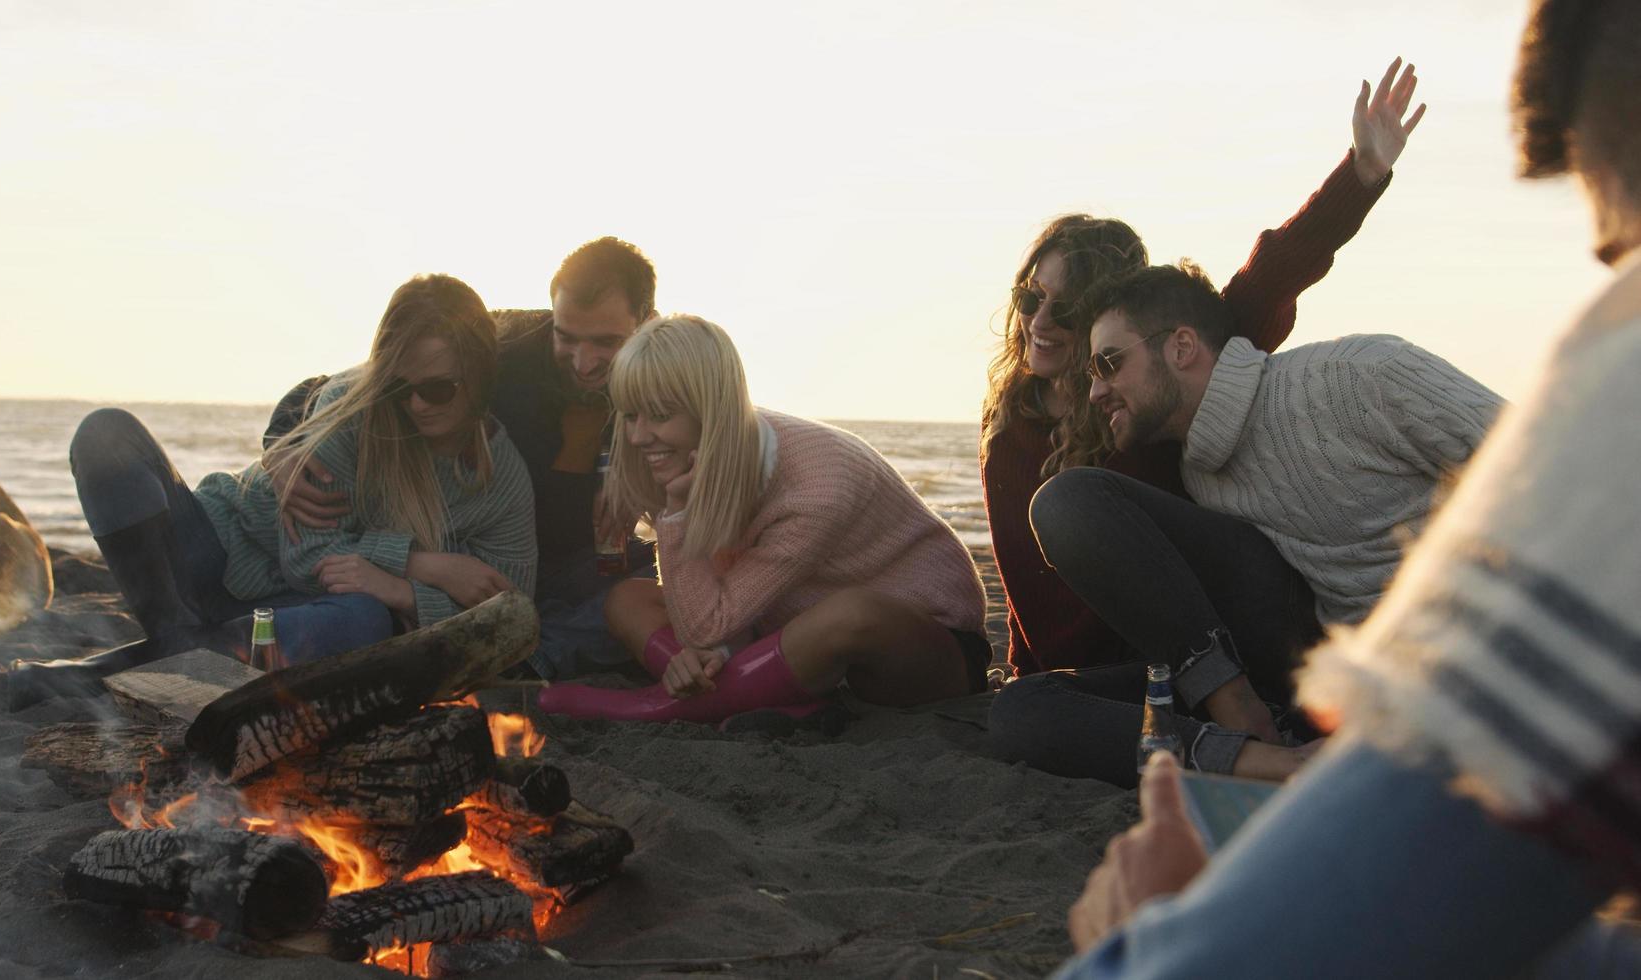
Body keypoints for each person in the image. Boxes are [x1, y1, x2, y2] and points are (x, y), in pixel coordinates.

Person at [1054, 6, 1641, 972]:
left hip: (1459, 707)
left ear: (1184, 349)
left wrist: (1146, 930)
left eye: (1619, 251)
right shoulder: (1179, 466)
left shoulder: (1384, 382)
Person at [991, 259, 1502, 785]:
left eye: (1108, 364)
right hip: (1308, 691)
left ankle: (1259, 733)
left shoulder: (1360, 374)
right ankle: (1269, 761)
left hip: (1460, 679)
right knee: (1022, 710)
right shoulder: (1193, 471)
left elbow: (1552, 464)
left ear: (1181, 347)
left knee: (1068, 498)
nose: (1095, 392)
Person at [1, 274, 535, 703]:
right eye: (399, 387)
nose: (416, 405)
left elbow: (511, 614)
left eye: (438, 389)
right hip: (210, 553)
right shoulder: (353, 406)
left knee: (365, 621)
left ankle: (141, 662)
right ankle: (174, 641)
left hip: (294, 617)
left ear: (479, 378)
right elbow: (310, 558)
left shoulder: (501, 480)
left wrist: (395, 589)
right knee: (104, 434)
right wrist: (423, 565)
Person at [536, 315, 991, 725]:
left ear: (709, 409)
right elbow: (708, 614)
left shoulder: (818, 485)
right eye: (630, 415)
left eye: (658, 415)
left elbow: (706, 625)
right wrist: (692, 657)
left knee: (853, 613)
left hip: (923, 645)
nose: (637, 436)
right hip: (780, 623)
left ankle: (659, 705)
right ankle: (756, 694)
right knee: (626, 600)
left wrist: (676, 514)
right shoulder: (677, 458)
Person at [268, 238, 661, 680]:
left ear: (646, 323)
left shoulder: (668, 369)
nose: (584, 361)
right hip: (480, 551)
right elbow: (354, 383)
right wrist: (282, 443)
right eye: (566, 337)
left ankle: (530, 657)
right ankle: (525, 656)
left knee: (658, 583)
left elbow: (712, 457)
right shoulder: (505, 342)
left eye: (606, 342)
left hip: (577, 561)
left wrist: (640, 480)